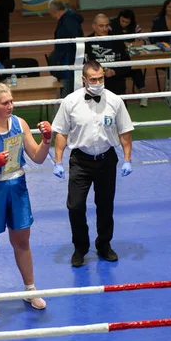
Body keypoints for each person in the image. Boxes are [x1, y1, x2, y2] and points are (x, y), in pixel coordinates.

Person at [0, 83, 51, 317]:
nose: (10, 106)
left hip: (18, 187)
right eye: (5, 103)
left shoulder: (20, 123)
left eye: (12, 101)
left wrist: (46, 140)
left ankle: (30, 289)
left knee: (23, 241)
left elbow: (38, 157)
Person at [50, 60, 134, 267]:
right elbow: (61, 132)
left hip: (107, 159)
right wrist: (58, 161)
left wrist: (128, 159)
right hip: (80, 160)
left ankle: (104, 245)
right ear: (84, 80)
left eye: (101, 78)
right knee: (75, 206)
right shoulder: (70, 102)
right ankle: (80, 247)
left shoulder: (115, 101)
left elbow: (125, 131)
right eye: (93, 79)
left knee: (105, 206)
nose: (98, 83)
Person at [109, 9, 150, 107]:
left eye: (127, 22)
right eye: (122, 21)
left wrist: (131, 44)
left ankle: (143, 94)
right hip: (113, 58)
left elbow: (147, 40)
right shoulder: (111, 24)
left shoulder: (135, 26)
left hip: (128, 58)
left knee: (135, 68)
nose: (124, 24)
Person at [85, 14, 130, 97]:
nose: (104, 29)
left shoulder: (117, 41)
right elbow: (83, 66)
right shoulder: (87, 42)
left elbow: (127, 65)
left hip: (116, 85)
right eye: (101, 26)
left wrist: (114, 72)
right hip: (94, 85)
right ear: (94, 26)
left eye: (106, 26)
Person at [48, 0, 84, 98]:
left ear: (54, 11)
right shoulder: (68, 20)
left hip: (68, 64)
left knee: (68, 95)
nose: (52, 16)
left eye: (51, 13)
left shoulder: (68, 22)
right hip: (68, 62)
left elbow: (73, 42)